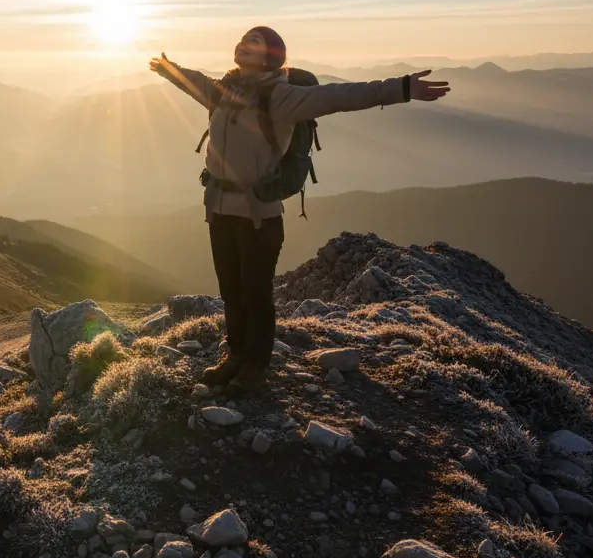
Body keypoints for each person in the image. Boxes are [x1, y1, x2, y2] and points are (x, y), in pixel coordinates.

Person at [149, 26, 450, 391]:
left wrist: (401, 88)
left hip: (259, 215)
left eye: (254, 43)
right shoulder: (226, 89)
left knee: (255, 293)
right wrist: (169, 68)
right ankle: (236, 356)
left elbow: (341, 96)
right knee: (230, 290)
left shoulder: (281, 97)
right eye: (244, 40)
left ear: (271, 56)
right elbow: (194, 81)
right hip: (219, 210)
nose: (243, 45)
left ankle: (255, 368)